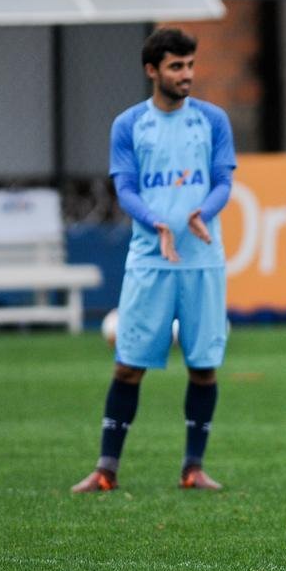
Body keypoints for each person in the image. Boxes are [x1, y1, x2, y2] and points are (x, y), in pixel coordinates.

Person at [72, 28, 235, 493]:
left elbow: (223, 179)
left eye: (189, 65)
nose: (186, 75)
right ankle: (106, 469)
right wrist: (158, 223)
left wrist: (205, 210)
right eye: (176, 67)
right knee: (128, 365)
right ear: (152, 71)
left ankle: (193, 468)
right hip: (150, 261)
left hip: (202, 260)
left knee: (203, 366)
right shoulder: (128, 125)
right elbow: (125, 189)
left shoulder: (212, 121)